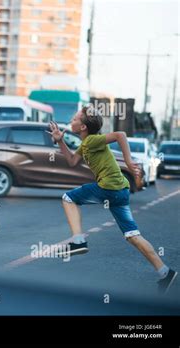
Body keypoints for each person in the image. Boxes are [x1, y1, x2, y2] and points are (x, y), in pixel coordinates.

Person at [47, 106, 177, 294]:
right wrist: (60, 141)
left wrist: (129, 161)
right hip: (120, 191)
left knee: (68, 198)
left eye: (75, 119)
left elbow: (120, 135)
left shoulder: (92, 140)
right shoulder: (86, 144)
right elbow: (72, 161)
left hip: (109, 187)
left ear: (83, 127)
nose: (71, 121)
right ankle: (166, 272)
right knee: (132, 235)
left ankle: (78, 241)